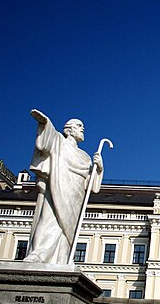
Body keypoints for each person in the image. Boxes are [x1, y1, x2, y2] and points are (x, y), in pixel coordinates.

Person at [23, 109, 103, 265]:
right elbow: (48, 139)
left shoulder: (85, 157)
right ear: (69, 130)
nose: (82, 129)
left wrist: (99, 169)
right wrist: (45, 122)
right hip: (57, 187)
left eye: (82, 127)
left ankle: (62, 258)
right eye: (79, 126)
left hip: (76, 195)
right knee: (49, 219)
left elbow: (92, 186)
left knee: (67, 229)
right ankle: (39, 253)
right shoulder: (59, 142)